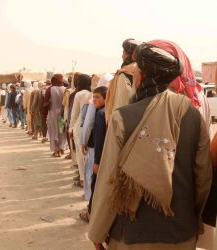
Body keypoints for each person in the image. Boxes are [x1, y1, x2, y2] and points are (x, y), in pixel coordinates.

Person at [88, 43, 212, 250]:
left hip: (130, 235)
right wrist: (189, 218)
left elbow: (108, 181)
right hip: (181, 234)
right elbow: (203, 178)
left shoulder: (122, 118)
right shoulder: (192, 115)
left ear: (142, 76)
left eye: (137, 71)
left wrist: (97, 231)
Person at [79, 85, 109, 223]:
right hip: (106, 156)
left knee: (95, 185)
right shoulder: (106, 111)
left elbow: (99, 141)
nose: (95, 100)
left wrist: (96, 162)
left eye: (98, 97)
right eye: (94, 97)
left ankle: (92, 214)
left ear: (105, 97)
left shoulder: (101, 114)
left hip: (99, 156)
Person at [105, 38, 141, 123]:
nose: (122, 56)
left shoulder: (125, 74)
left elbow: (121, 105)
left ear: (130, 55)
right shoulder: (143, 71)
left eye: (123, 53)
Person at [69, 74, 92, 187]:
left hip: (79, 126)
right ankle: (89, 179)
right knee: (89, 153)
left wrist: (70, 128)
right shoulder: (93, 93)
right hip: (91, 126)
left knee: (80, 153)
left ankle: (83, 180)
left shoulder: (79, 94)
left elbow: (74, 113)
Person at [44, 74, 66, 157]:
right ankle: (60, 149)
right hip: (63, 114)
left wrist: (44, 114)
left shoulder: (50, 89)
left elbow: (45, 103)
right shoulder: (65, 90)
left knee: (53, 131)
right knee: (61, 131)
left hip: (52, 114)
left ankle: (56, 150)